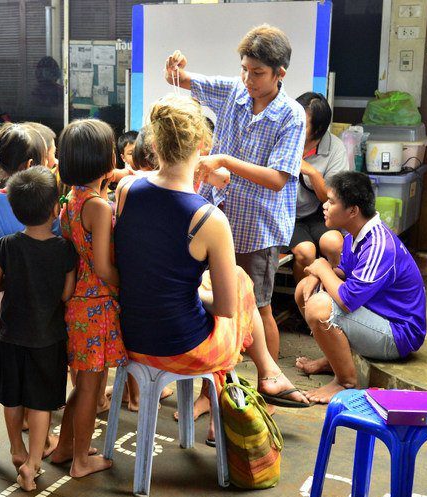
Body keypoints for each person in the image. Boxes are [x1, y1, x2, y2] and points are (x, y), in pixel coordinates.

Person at [114, 95, 309, 445]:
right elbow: (224, 308)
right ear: (204, 146)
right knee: (240, 288)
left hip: (129, 338)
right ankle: (252, 386)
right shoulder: (209, 219)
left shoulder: (126, 189)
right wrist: (195, 294)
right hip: (180, 348)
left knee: (230, 284)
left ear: (154, 143)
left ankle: (260, 378)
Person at [164, 24, 305, 366]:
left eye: (257, 73)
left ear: (280, 73)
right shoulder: (233, 91)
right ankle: (215, 382)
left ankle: (268, 381)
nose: (248, 79)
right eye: (244, 69)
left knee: (257, 306)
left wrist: (225, 161)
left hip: (258, 228)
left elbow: (277, 179)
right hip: (217, 217)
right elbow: (179, 79)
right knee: (213, 301)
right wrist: (175, 66)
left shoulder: (291, 116)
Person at [294, 172, 427, 403]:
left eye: (331, 202)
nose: (325, 206)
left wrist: (323, 268)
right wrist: (318, 274)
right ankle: (335, 360)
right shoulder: (355, 235)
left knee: (319, 307)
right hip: (375, 316)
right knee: (304, 288)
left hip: (397, 334)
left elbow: (348, 299)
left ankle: (345, 382)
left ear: (353, 211)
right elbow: (343, 273)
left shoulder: (379, 246)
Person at [0, 166, 76, 491]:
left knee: (12, 397)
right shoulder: (65, 249)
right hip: (47, 340)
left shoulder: (6, 245)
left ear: (15, 210)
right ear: (54, 210)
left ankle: (16, 449)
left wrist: (13, 281)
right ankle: (33, 463)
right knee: (39, 403)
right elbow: (66, 294)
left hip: (10, 338)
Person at [51, 118, 128, 478]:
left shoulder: (70, 199)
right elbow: (103, 266)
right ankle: (81, 460)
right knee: (91, 389)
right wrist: (124, 286)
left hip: (77, 303)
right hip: (96, 306)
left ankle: (65, 448)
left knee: (83, 386)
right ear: (103, 159)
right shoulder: (99, 206)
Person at [0, 122, 49, 461]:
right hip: (39, 302)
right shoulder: (45, 205)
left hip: (1, 300)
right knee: (35, 371)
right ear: (31, 165)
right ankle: (38, 440)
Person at [289, 93, 347, 287]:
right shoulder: (283, 139)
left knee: (335, 244)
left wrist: (313, 173)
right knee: (305, 252)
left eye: (303, 124)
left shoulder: (335, 148)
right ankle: (303, 301)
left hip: (318, 214)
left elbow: (332, 200)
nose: (295, 125)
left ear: (319, 129)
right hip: (285, 216)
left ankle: (334, 297)